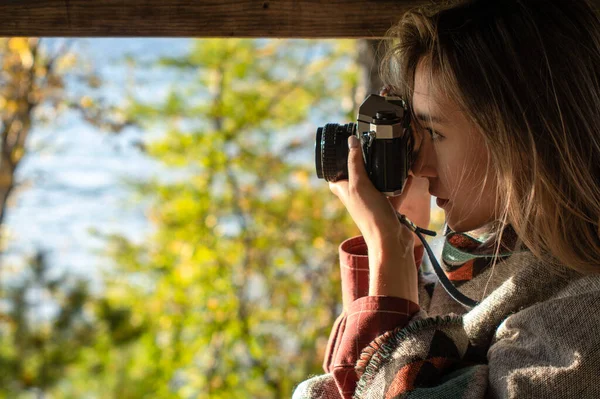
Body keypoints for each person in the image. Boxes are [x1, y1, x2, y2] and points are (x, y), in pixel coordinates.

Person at [293, 0, 600, 397]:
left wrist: (390, 253)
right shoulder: (487, 267)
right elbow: (353, 382)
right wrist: (395, 244)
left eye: (434, 133)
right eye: (414, 137)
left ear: (520, 135)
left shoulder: (583, 318)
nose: (419, 165)